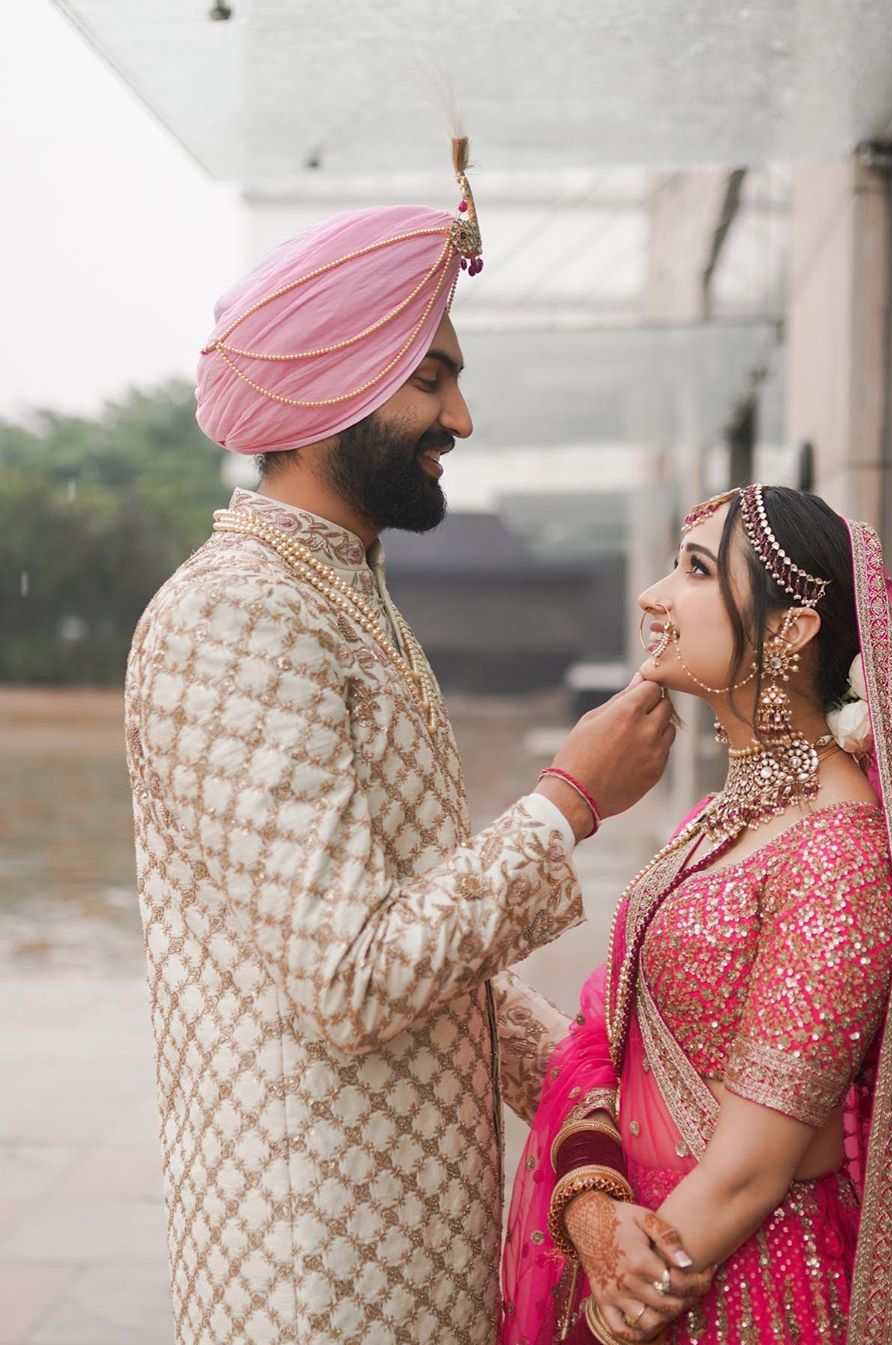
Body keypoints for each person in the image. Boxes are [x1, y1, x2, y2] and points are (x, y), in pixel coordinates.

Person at [124, 141, 688, 1345]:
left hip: (418, 1235)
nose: (461, 418)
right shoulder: (237, 610)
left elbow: (432, 961)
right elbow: (350, 974)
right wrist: (568, 802)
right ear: (338, 384)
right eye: (431, 380)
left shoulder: (345, 597)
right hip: (314, 1263)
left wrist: (598, 1126)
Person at [502, 484, 892, 1345]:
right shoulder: (729, 819)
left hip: (734, 1289)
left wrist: (616, 1309)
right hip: (651, 1254)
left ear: (791, 630)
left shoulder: (837, 855)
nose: (653, 596)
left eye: (693, 571)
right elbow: (609, 1035)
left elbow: (751, 1172)